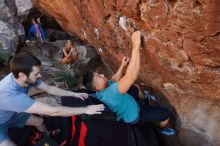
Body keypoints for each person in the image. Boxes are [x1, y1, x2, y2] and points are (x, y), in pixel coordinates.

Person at [0, 52, 104, 146]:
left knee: (39, 121)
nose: (39, 75)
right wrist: (85, 109)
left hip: (12, 113)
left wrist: (73, 94)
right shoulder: (11, 96)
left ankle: (47, 135)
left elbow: (49, 89)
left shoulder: (23, 76)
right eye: (36, 74)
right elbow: (53, 111)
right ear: (21, 75)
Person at [83, 30, 175, 135]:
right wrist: (136, 45)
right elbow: (131, 76)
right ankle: (161, 129)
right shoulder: (111, 93)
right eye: (99, 76)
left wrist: (122, 65)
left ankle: (145, 101)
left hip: (128, 101)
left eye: (100, 74)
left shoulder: (100, 90)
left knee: (135, 87)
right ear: (96, 87)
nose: (102, 75)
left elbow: (113, 79)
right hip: (135, 114)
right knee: (166, 114)